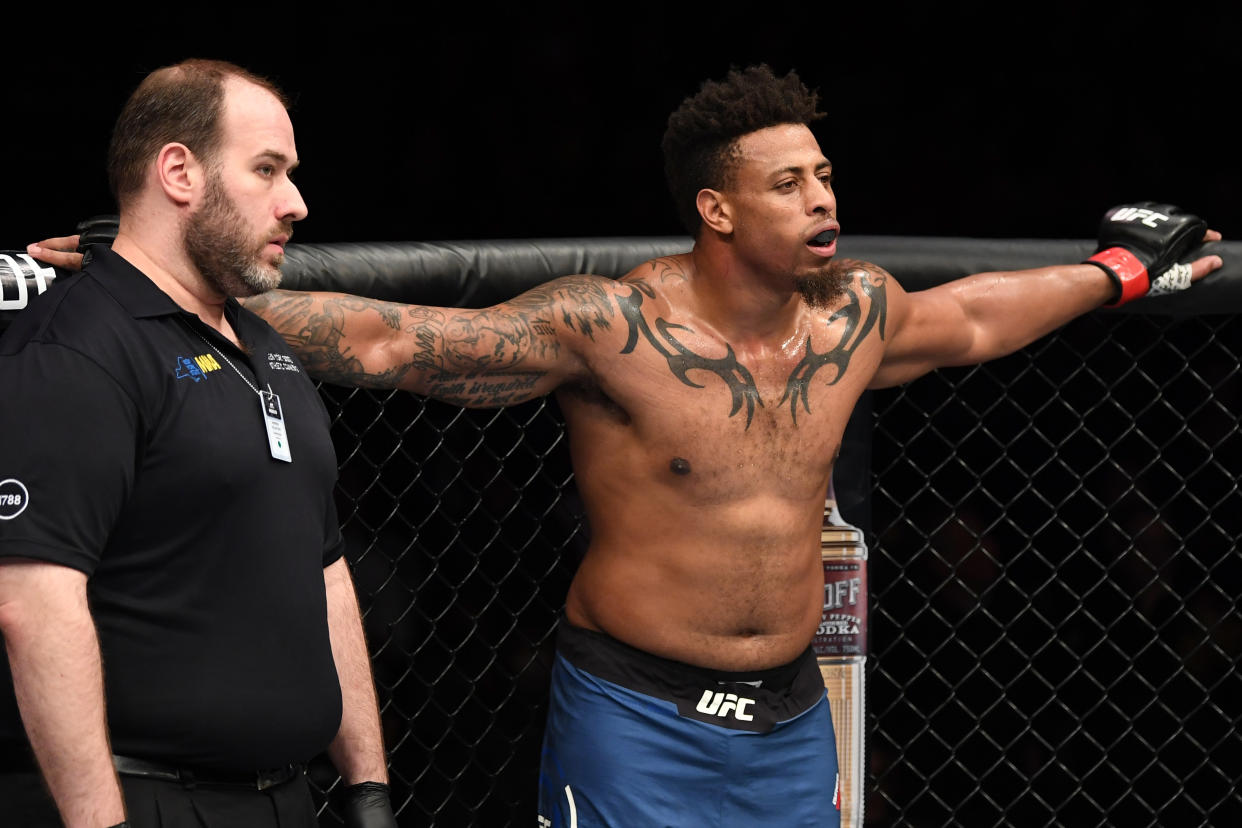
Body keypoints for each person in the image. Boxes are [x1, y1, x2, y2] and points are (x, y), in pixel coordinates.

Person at [30, 65, 1224, 827]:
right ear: (717, 208)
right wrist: (158, 276)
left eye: (825, 177)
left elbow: (973, 317)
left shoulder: (856, 315)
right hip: (637, 720)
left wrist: (1122, 270)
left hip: (795, 721)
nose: (824, 201)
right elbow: (399, 341)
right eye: (789, 183)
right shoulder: (614, 325)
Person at [1, 60, 397, 828]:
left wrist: (368, 789)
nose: (297, 203)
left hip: (284, 797)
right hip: (140, 797)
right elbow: (31, 605)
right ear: (179, 172)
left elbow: (325, 571)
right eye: (267, 170)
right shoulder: (77, 351)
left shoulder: (263, 345)